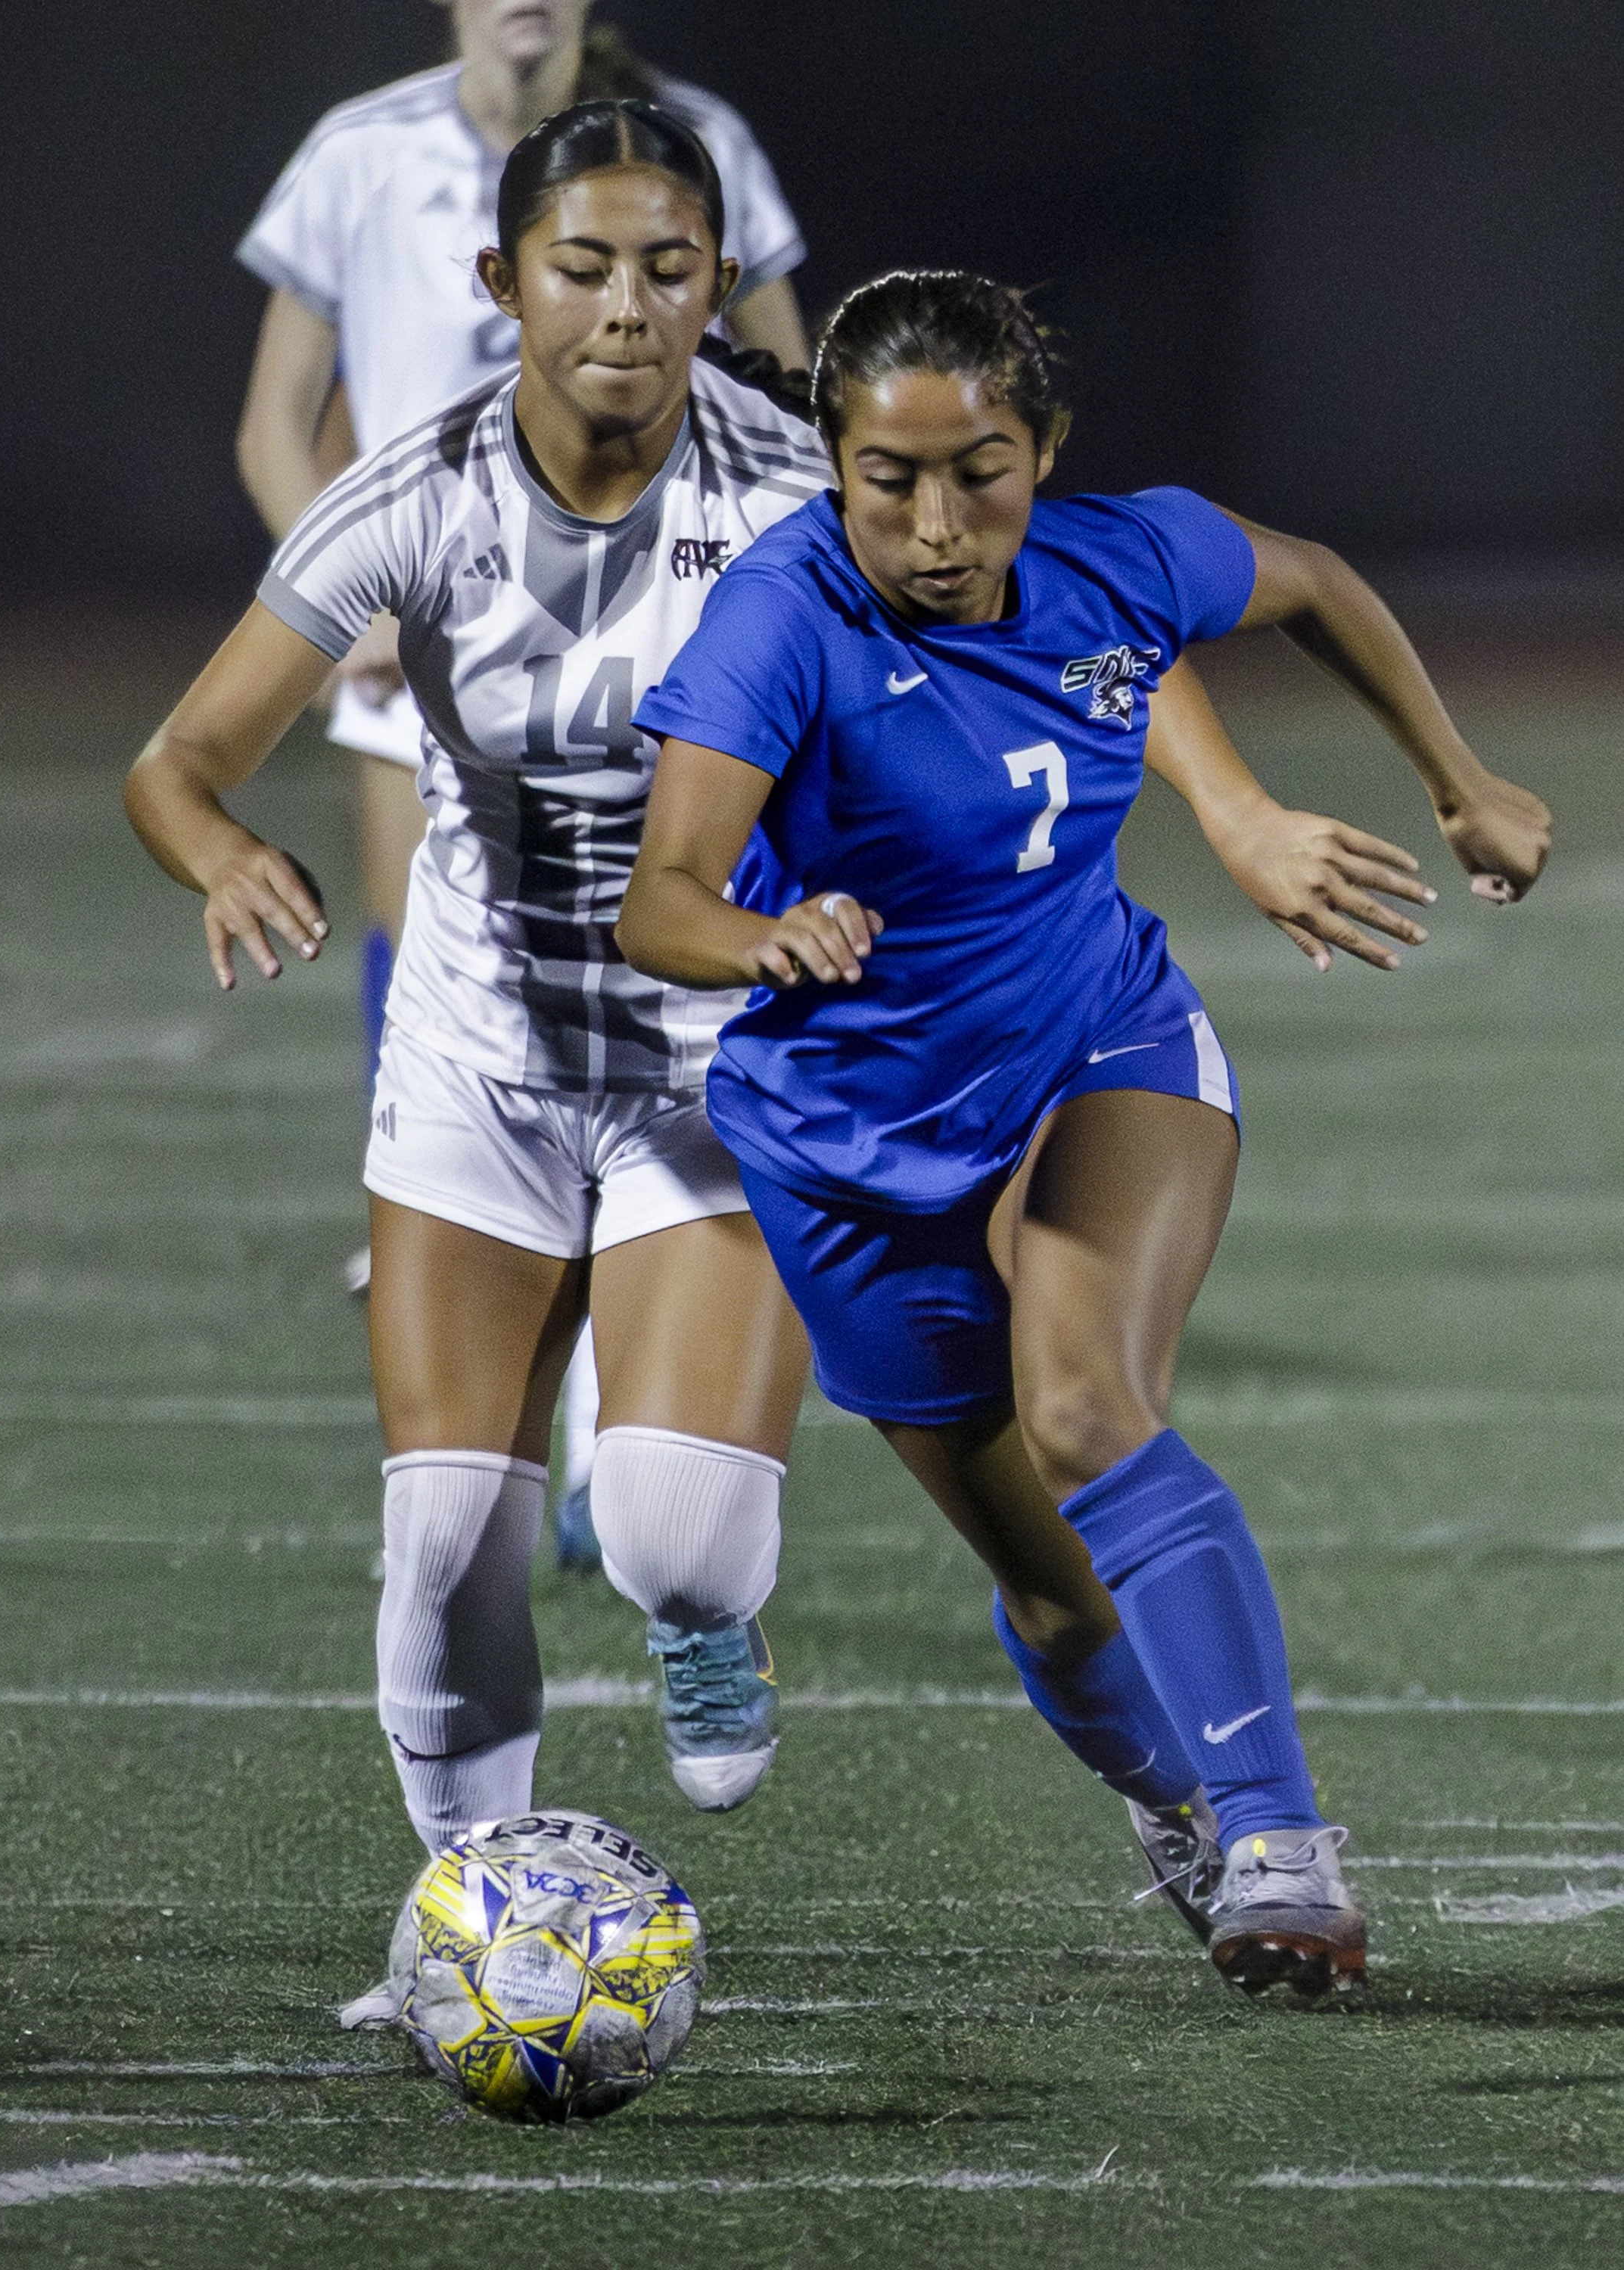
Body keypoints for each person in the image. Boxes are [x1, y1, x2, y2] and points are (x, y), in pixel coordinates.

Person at [617, 269, 1552, 1994]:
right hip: (849, 1148)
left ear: (1045, 453)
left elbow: (1316, 581)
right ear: (833, 466)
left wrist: (1454, 778)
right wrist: (760, 935)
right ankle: (1180, 1805)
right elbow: (660, 899)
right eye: (888, 477)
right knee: (1052, 1587)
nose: (936, 519)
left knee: (1086, 1405)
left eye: (980, 468)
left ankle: (1280, 1835)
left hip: (1094, 1046)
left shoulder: (1124, 555)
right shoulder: (782, 619)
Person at [128, 104, 838, 1909]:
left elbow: (1013, 646)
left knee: (674, 1537)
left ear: (722, 286)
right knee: (447, 1547)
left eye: (671, 270)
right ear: (499, 281)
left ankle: (710, 1614)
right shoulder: (416, 490)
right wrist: (216, 848)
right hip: (481, 1057)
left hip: (717, 1061)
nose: (625, 307)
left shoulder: (798, 492)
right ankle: (483, 1917)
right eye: (581, 266)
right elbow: (179, 760)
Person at [234, 3, 813, 1566]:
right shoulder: (361, 154)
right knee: (460, 983)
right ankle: (485, 1326)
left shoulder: (697, 144)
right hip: (450, 635)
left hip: (673, 634)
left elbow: (794, 382)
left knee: (664, 1010)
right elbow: (276, 421)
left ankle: (631, 1441)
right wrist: (346, 591)